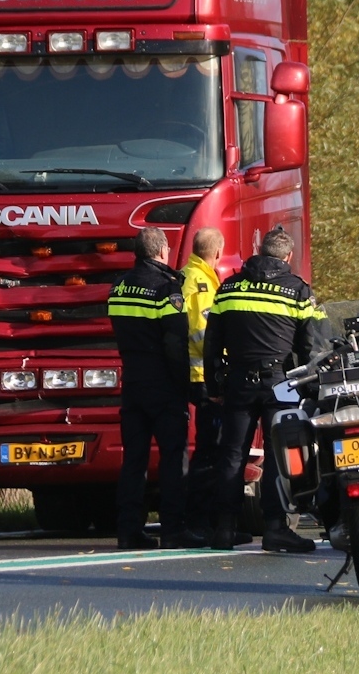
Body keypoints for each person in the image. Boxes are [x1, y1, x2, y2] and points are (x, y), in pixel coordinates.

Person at [202, 226, 319, 553]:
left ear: (260, 251)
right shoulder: (298, 291)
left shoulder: (229, 287)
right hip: (279, 383)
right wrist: (310, 387)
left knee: (232, 454)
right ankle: (275, 528)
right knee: (278, 455)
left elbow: (212, 343)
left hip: (238, 380)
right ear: (288, 257)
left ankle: (224, 530)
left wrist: (215, 384)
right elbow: (307, 347)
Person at [106, 227, 197, 549]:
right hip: (163, 385)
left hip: (132, 382)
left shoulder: (118, 287)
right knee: (173, 457)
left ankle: (129, 530)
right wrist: (182, 389)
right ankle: (174, 528)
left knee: (135, 459)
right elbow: (175, 344)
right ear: (162, 251)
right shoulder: (166, 289)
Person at [181, 227, 225, 539]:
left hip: (195, 374)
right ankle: (200, 523)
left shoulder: (189, 275)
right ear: (217, 253)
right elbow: (203, 332)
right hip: (203, 376)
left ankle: (206, 522)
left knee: (210, 449)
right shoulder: (201, 283)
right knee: (210, 451)